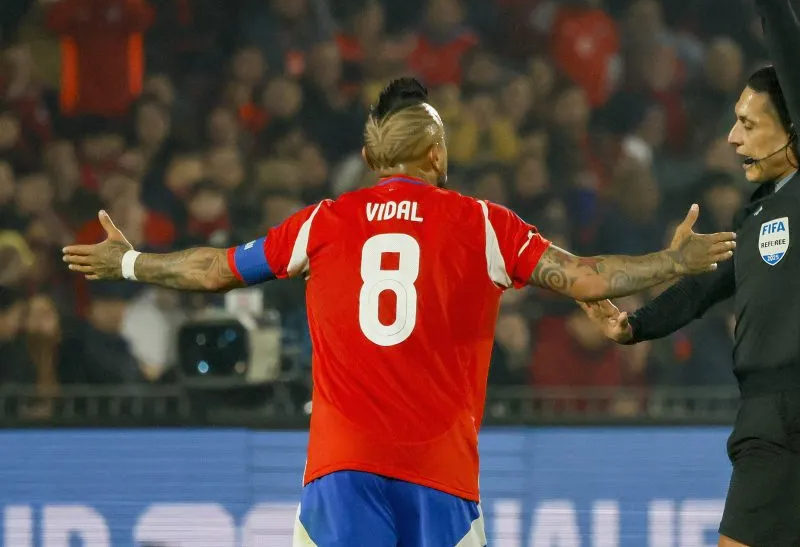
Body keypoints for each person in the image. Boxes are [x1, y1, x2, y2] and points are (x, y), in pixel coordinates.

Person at [62, 77, 737, 547]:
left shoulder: (322, 222)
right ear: (437, 155)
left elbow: (214, 269)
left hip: (343, 467)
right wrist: (673, 262)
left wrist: (128, 263)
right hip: (439, 474)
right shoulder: (481, 224)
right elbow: (588, 276)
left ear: (367, 159)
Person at [580, 0, 800, 547]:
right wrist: (634, 326)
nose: (733, 137)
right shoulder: (758, 213)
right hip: (769, 413)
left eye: (749, 123)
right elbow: (705, 285)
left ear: (794, 127)